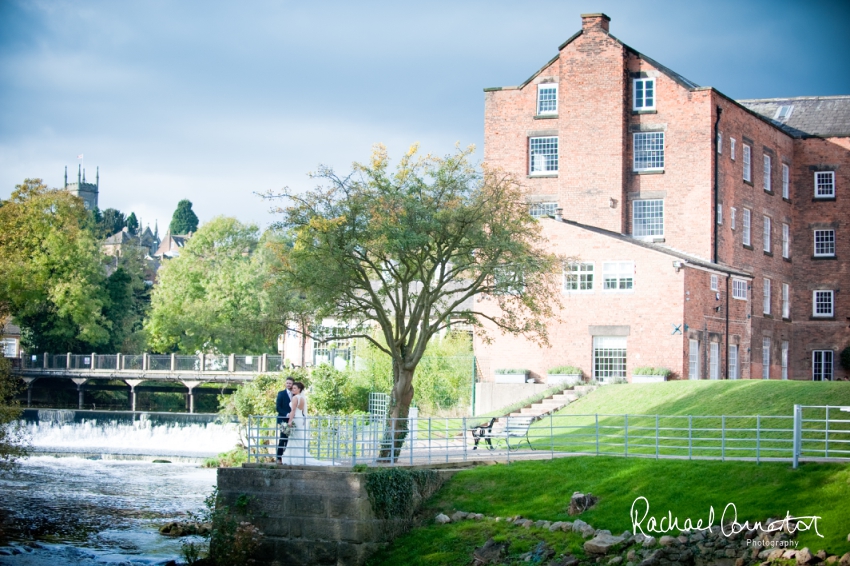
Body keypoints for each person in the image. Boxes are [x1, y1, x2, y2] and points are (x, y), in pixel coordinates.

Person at [277, 381, 333, 466]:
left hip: (295, 419)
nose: (293, 389)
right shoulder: (302, 398)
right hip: (300, 419)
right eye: (293, 388)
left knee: (294, 439)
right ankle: (298, 457)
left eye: (295, 388)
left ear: (299, 389)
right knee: (297, 439)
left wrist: (290, 421)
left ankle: (294, 459)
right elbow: (302, 411)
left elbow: (293, 411)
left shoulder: (295, 398)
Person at [275, 377, 294, 462]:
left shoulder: (295, 394)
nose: (288, 384)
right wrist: (287, 414)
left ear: (293, 384)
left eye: (290, 383)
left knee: (291, 439)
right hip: (283, 419)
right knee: (283, 438)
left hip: (293, 420)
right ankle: (279, 457)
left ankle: (287, 458)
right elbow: (278, 407)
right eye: (287, 383)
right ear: (285, 384)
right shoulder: (281, 393)